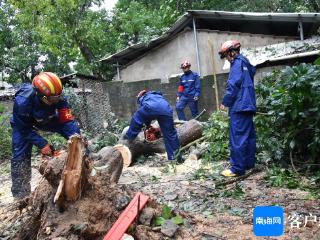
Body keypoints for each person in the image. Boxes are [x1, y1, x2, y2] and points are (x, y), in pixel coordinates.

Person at [10, 72, 80, 199]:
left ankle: (85, 158)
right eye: (52, 99)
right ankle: (21, 195)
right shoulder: (23, 101)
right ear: (40, 94)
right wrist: (42, 143)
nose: (56, 101)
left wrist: (76, 137)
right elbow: (23, 128)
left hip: (46, 118)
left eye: (57, 97)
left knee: (74, 134)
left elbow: (67, 119)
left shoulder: (57, 95)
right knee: (20, 155)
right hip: (24, 124)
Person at [218, 40, 256, 177]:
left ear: (231, 52)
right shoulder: (246, 62)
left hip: (239, 106)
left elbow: (233, 85)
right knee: (249, 136)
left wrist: (225, 102)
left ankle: (237, 169)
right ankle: (249, 164)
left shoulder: (236, 63)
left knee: (238, 137)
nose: (226, 59)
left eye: (225, 56)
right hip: (249, 105)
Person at [124, 90, 181, 162]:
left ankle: (129, 137)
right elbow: (158, 108)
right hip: (166, 109)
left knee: (136, 118)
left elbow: (144, 115)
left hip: (151, 108)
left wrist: (147, 125)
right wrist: (148, 126)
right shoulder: (157, 95)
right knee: (171, 134)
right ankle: (176, 158)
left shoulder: (143, 98)